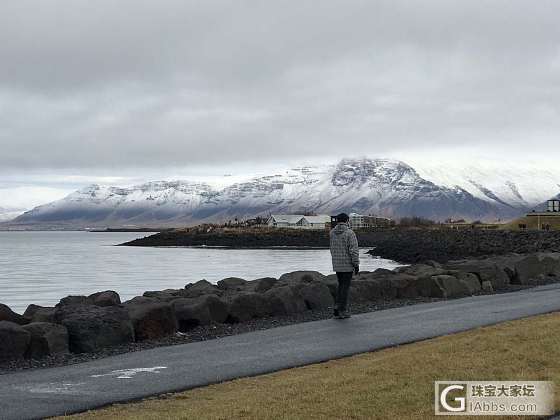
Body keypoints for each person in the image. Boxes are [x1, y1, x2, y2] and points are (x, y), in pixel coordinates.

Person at [329, 212, 359, 319]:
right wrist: (356, 264)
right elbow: (353, 251)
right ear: (347, 221)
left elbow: (331, 249)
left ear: (337, 221)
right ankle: (342, 310)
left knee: (340, 286)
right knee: (345, 288)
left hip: (337, 265)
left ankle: (337, 309)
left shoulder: (332, 232)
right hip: (347, 265)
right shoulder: (350, 233)